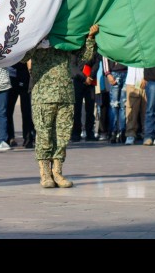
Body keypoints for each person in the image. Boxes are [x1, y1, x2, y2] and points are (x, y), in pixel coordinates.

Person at [11, 24, 98, 188]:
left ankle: (57, 171)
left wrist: (90, 38)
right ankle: (45, 173)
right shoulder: (37, 34)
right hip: (43, 94)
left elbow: (84, 57)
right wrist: (38, 41)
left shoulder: (65, 36)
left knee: (62, 136)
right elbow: (22, 57)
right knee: (44, 135)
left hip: (65, 94)